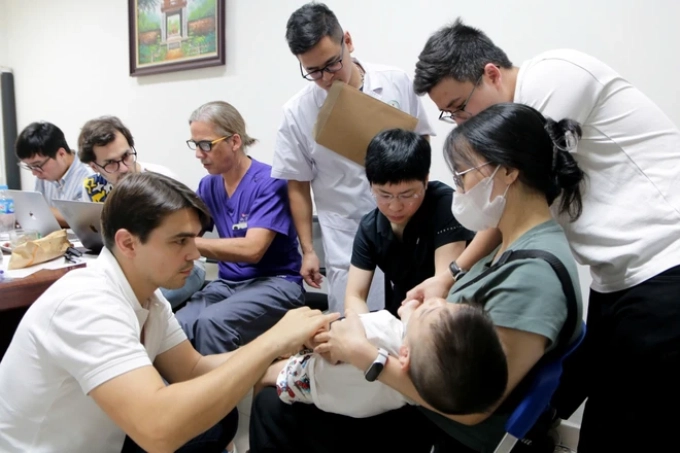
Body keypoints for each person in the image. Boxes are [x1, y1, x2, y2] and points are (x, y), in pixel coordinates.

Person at [250, 103, 585, 453]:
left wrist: (364, 354)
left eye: (462, 175)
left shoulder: (532, 278)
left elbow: (472, 409)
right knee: (299, 376)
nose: (458, 189)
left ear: (507, 172)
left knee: (274, 407)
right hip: (425, 385)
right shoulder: (509, 242)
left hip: (452, 427)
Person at [411, 19, 680, 452]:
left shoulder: (553, 78)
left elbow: (504, 196)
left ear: (492, 73)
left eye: (461, 106)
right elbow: (504, 206)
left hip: (664, 264)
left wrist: (451, 275)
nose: (461, 121)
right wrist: (452, 273)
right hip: (616, 278)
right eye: (450, 115)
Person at [0, 171, 338, 453]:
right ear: (128, 243)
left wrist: (287, 361)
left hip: (102, 440)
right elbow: (158, 431)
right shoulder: (88, 305)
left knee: (216, 419)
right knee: (188, 422)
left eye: (195, 239)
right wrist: (271, 342)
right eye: (179, 241)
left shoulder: (147, 295)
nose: (195, 254)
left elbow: (193, 368)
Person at [273, 2, 436, 314]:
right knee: (358, 324)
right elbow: (297, 185)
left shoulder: (395, 82)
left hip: (410, 219)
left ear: (347, 41)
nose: (325, 78)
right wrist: (308, 250)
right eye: (313, 71)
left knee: (416, 314)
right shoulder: (297, 112)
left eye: (332, 64)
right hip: (347, 232)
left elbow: (421, 140)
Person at [176, 101, 304, 354]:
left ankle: (221, 394)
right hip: (228, 284)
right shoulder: (209, 185)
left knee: (212, 323)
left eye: (205, 145)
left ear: (234, 142)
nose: (198, 154)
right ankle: (178, 393)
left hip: (276, 283)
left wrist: (184, 242)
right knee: (178, 325)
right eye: (195, 145)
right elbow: (183, 228)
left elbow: (252, 249)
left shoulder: (269, 182)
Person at [259, 298, 507, 419]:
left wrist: (306, 339)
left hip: (310, 379)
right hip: (354, 403)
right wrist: (413, 314)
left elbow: (333, 341)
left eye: (432, 309)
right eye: (451, 302)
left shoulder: (377, 332)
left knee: (261, 371)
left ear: (405, 355)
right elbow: (412, 337)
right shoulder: (428, 379)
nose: (438, 300)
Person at [344, 128, 476, 317]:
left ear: (425, 180)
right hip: (402, 312)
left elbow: (442, 287)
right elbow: (355, 295)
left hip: (449, 314)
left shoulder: (446, 205)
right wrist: (364, 327)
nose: (395, 206)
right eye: (384, 195)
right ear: (371, 185)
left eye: (407, 195)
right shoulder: (369, 227)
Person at [77, 115, 205, 307]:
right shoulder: (93, 188)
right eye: (111, 163)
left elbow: (189, 237)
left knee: (131, 304)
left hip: (182, 266)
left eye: (126, 156)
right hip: (129, 271)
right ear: (94, 166)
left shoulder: (160, 180)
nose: (124, 168)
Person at [14, 121, 90, 226]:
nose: (34, 173)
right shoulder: (43, 175)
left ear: (61, 154)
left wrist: (32, 209)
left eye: (37, 165)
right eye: (30, 167)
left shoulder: (89, 176)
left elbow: (83, 219)